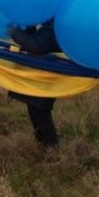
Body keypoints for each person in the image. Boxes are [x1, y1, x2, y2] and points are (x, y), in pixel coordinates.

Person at [7, 19, 61, 161]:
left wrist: (16, 33)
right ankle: (43, 147)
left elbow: (36, 46)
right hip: (40, 79)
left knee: (41, 113)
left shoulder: (51, 28)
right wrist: (29, 28)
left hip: (44, 80)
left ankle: (52, 152)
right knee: (35, 111)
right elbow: (35, 40)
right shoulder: (50, 26)